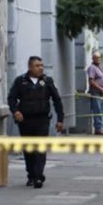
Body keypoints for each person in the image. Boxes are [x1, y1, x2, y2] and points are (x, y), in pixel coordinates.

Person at [7, 56, 64, 188]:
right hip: (25, 121)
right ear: (30, 67)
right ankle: (31, 175)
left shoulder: (47, 81)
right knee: (28, 150)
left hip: (42, 120)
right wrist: (15, 111)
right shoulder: (21, 81)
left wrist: (60, 119)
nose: (40, 68)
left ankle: (39, 177)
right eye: (37, 66)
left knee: (40, 149)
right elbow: (11, 98)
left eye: (41, 65)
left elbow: (57, 100)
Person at [87, 51, 103, 135]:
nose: (98, 59)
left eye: (99, 57)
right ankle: (98, 128)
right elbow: (91, 81)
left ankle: (100, 127)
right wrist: (100, 88)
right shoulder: (92, 67)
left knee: (101, 110)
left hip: (102, 92)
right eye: (96, 57)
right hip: (96, 92)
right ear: (93, 58)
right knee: (98, 110)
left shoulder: (99, 67)